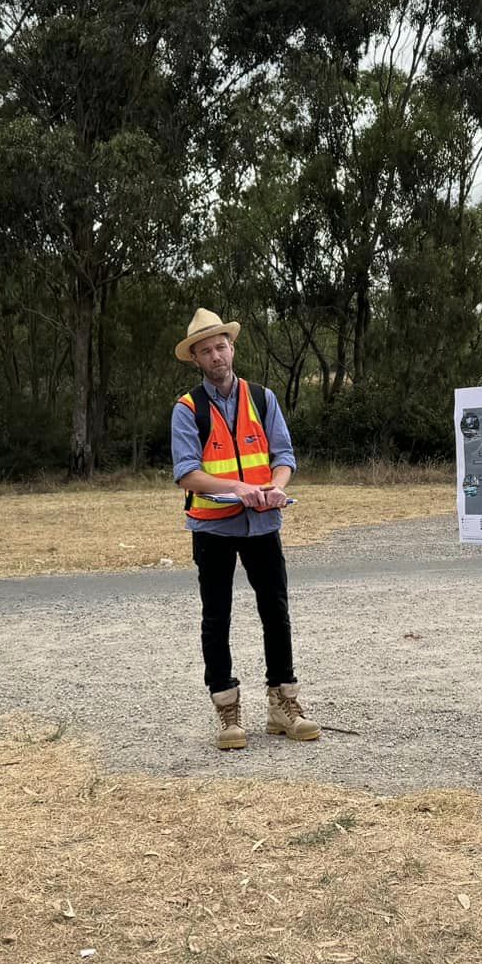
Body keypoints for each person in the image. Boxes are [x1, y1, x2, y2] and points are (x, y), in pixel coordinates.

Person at [169, 307, 319, 751]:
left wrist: (275, 488)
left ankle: (283, 703)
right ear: (196, 359)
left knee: (276, 610)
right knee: (217, 616)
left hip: (263, 523)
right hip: (212, 527)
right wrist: (237, 488)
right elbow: (186, 473)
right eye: (206, 351)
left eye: (221, 346)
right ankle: (226, 707)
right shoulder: (187, 409)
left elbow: (284, 456)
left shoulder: (262, 398)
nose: (216, 356)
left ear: (232, 348)